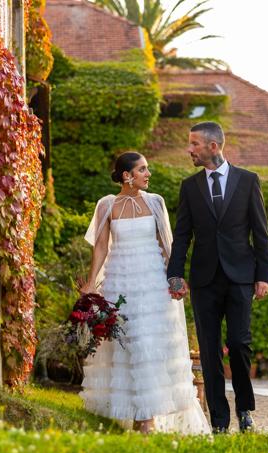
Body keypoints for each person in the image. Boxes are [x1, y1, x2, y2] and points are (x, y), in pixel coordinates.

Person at [79, 151, 210, 435]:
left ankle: (147, 419)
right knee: (127, 345)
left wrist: (174, 279)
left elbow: (168, 245)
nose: (148, 174)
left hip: (152, 284)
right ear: (127, 176)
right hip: (120, 283)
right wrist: (91, 284)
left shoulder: (155, 202)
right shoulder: (106, 206)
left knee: (149, 347)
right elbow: (101, 247)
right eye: (142, 170)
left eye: (147, 169)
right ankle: (137, 413)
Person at [167, 121, 268, 433]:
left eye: (194, 144)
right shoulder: (189, 186)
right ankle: (220, 421)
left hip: (241, 277)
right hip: (204, 280)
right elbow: (182, 235)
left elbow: (261, 233)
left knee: (239, 344)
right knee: (210, 350)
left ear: (214, 146)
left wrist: (263, 274)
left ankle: (245, 410)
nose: (190, 150)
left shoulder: (248, 181)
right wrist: (175, 274)